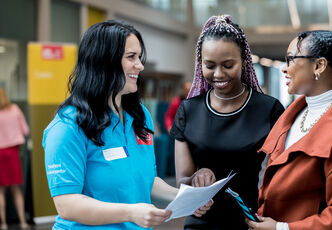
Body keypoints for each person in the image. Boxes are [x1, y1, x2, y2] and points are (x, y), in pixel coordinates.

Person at [42, 20, 212, 229]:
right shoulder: (67, 127)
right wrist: (131, 212)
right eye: (131, 57)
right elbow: (67, 205)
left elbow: (146, 180)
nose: (140, 65)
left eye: (139, 57)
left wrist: (185, 198)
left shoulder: (140, 115)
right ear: (104, 61)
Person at [246, 30, 332, 230]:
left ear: (319, 65)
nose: (284, 68)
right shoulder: (294, 114)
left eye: (291, 59)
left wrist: (282, 228)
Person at [170, 15, 284, 230]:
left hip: (249, 222)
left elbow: (283, 177)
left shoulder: (268, 109)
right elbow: (181, 181)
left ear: (244, 60)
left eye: (228, 65)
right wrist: (195, 179)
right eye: (209, 65)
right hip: (200, 223)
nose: (218, 74)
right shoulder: (189, 110)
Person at [0, 87, 29, 230]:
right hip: (13, 153)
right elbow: (25, 130)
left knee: (1, 191)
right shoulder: (15, 109)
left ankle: (4, 224)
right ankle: (23, 222)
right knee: (16, 190)